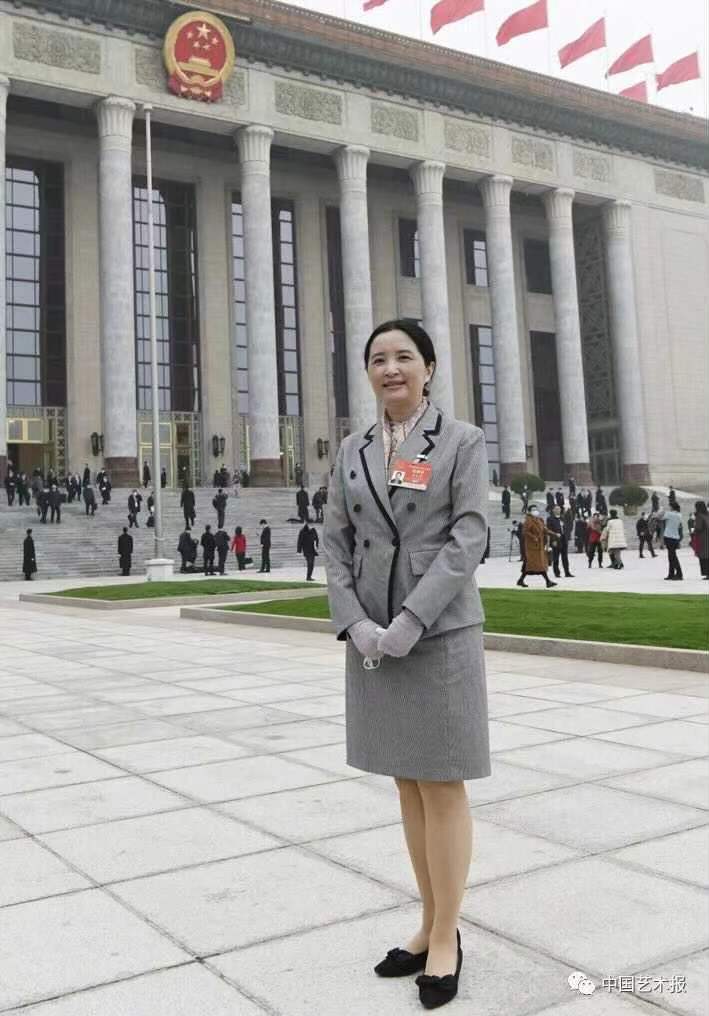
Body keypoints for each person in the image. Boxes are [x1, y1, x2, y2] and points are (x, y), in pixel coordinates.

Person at [323, 319, 490, 1005]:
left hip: (437, 631)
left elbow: (468, 537)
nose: (389, 369)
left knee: (442, 783)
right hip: (373, 636)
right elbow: (334, 540)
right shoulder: (353, 448)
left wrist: (412, 619)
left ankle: (447, 936)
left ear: (428, 367)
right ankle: (426, 922)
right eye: (377, 359)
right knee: (406, 784)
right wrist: (356, 622)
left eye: (403, 357)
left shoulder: (461, 441)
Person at [517, 507, 558, 588]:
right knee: (538, 565)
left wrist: (554, 534)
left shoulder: (539, 520)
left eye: (536, 509)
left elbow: (545, 530)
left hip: (539, 546)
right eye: (533, 510)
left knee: (532, 565)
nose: (535, 511)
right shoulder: (528, 520)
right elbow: (525, 531)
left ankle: (521, 580)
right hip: (532, 547)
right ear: (529, 512)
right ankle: (548, 581)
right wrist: (533, 537)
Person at [546, 505, 574, 578]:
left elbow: (566, 527)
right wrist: (553, 540)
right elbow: (549, 530)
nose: (558, 510)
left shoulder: (562, 518)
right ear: (553, 510)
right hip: (556, 539)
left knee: (565, 557)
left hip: (564, 539)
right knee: (556, 557)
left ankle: (567, 572)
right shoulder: (550, 519)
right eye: (556, 509)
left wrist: (567, 536)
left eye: (559, 509)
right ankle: (557, 573)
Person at [659, 501, 684, 580]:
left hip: (669, 536)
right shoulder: (679, 515)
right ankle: (671, 574)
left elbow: (660, 517)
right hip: (675, 537)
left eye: (670, 506)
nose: (669, 507)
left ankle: (679, 574)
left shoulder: (669, 514)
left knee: (672, 557)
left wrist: (661, 510)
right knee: (671, 556)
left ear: (672, 507)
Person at [690, 501, 709, 579]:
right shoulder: (707, 515)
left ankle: (707, 573)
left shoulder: (699, 516)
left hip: (702, 538)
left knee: (703, 556)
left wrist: (693, 533)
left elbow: (698, 528)